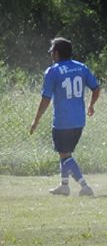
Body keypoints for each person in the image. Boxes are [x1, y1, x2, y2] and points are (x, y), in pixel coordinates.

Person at [30, 37, 101, 196]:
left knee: (65, 155)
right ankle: (64, 186)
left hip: (62, 121)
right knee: (65, 153)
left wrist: (36, 120)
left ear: (56, 53)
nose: (51, 55)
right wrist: (91, 105)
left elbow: (46, 99)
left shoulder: (53, 71)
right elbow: (96, 88)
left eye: (52, 52)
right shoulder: (81, 68)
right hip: (79, 120)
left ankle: (84, 186)